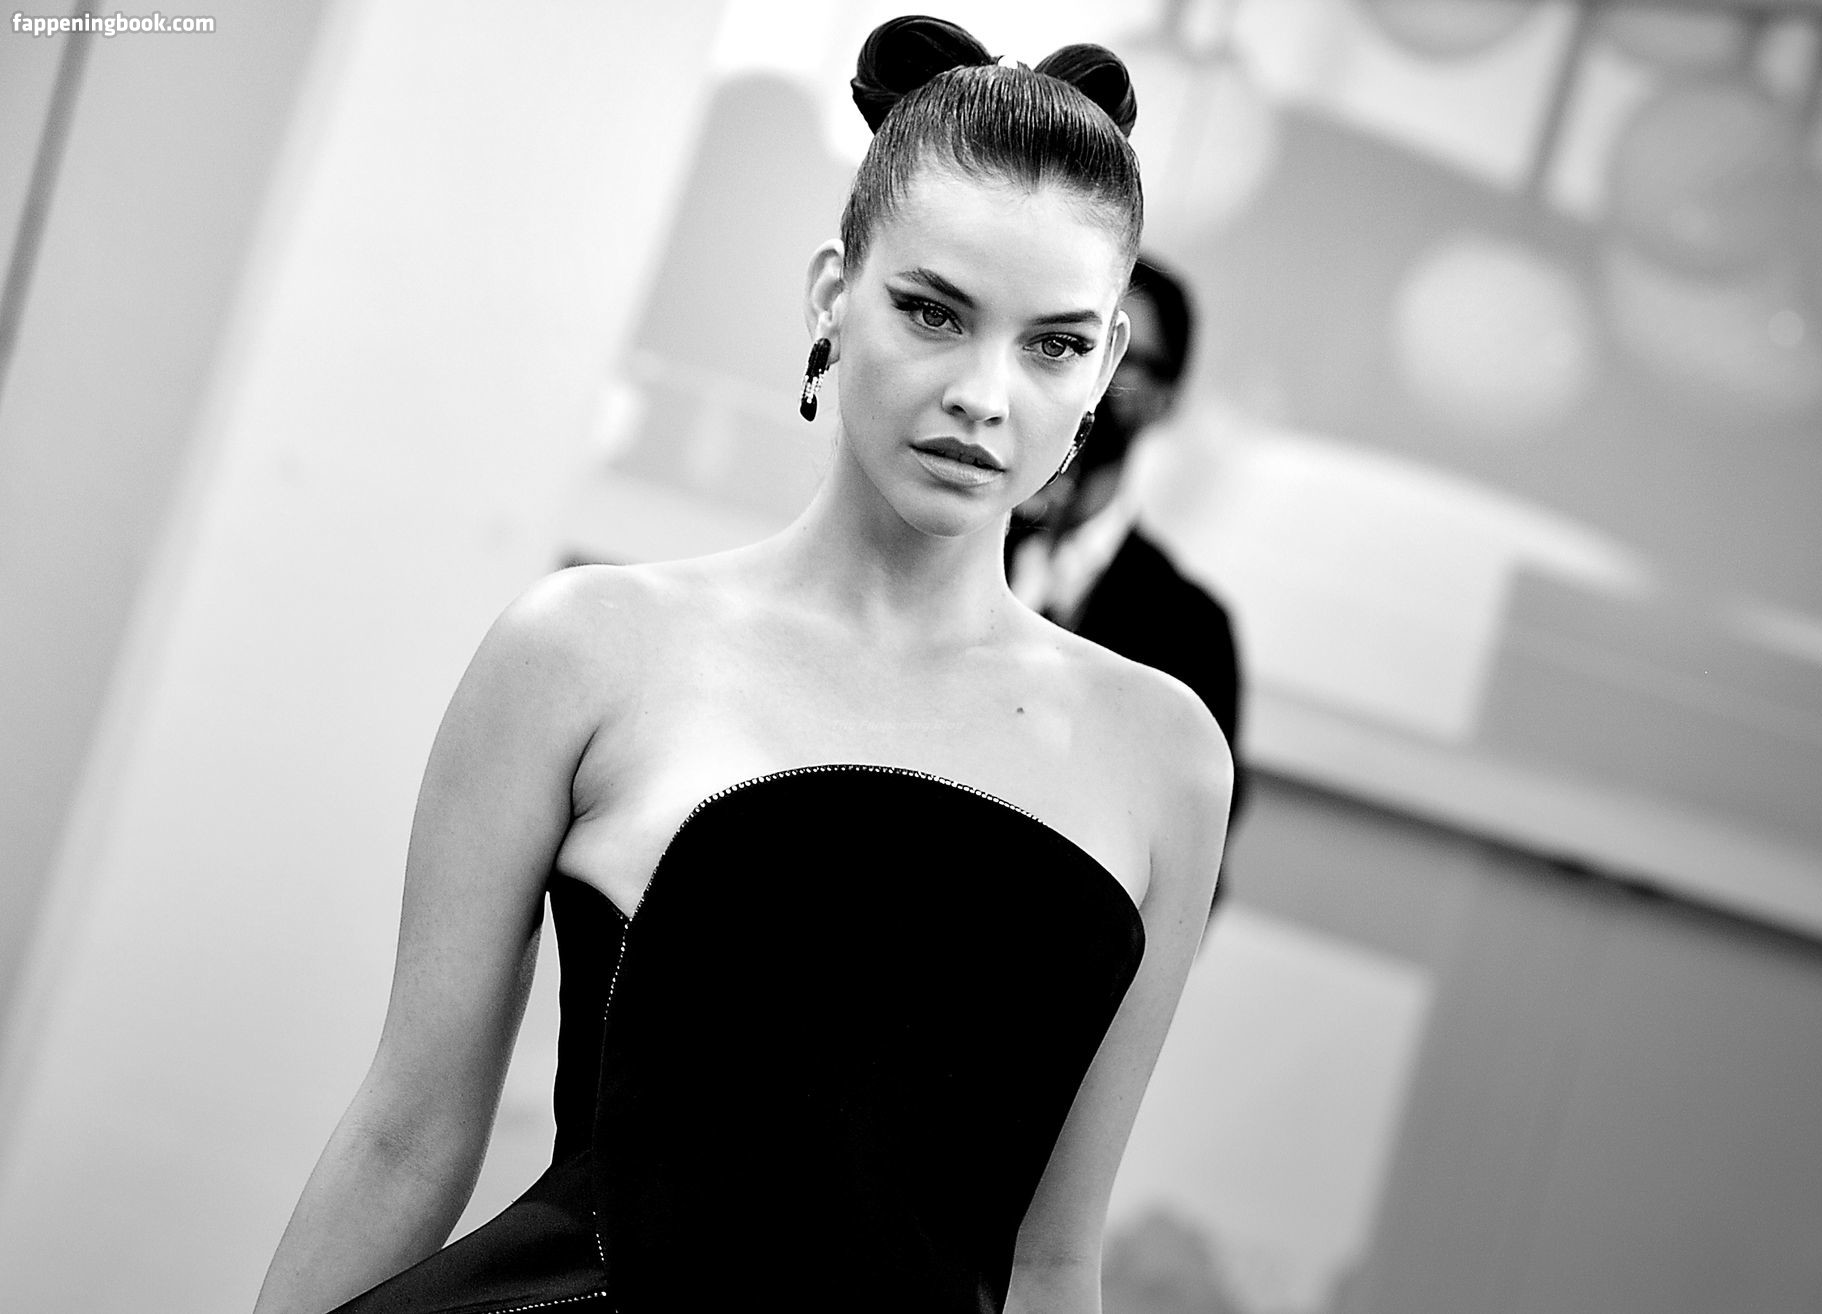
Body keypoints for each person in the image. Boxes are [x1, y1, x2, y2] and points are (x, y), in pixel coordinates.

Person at [252, 15, 1229, 1314]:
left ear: (1104, 366)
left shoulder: (1164, 760)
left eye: (1052, 342)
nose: (985, 395)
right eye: (932, 311)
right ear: (832, 295)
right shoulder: (585, 651)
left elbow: (1051, 1258)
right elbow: (406, 1134)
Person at [1008, 257, 1242, 864]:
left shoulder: (1193, 631)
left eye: (1125, 355)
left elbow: (1191, 852)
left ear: (1165, 400)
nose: (1095, 375)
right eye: (1071, 344)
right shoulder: (955, 541)